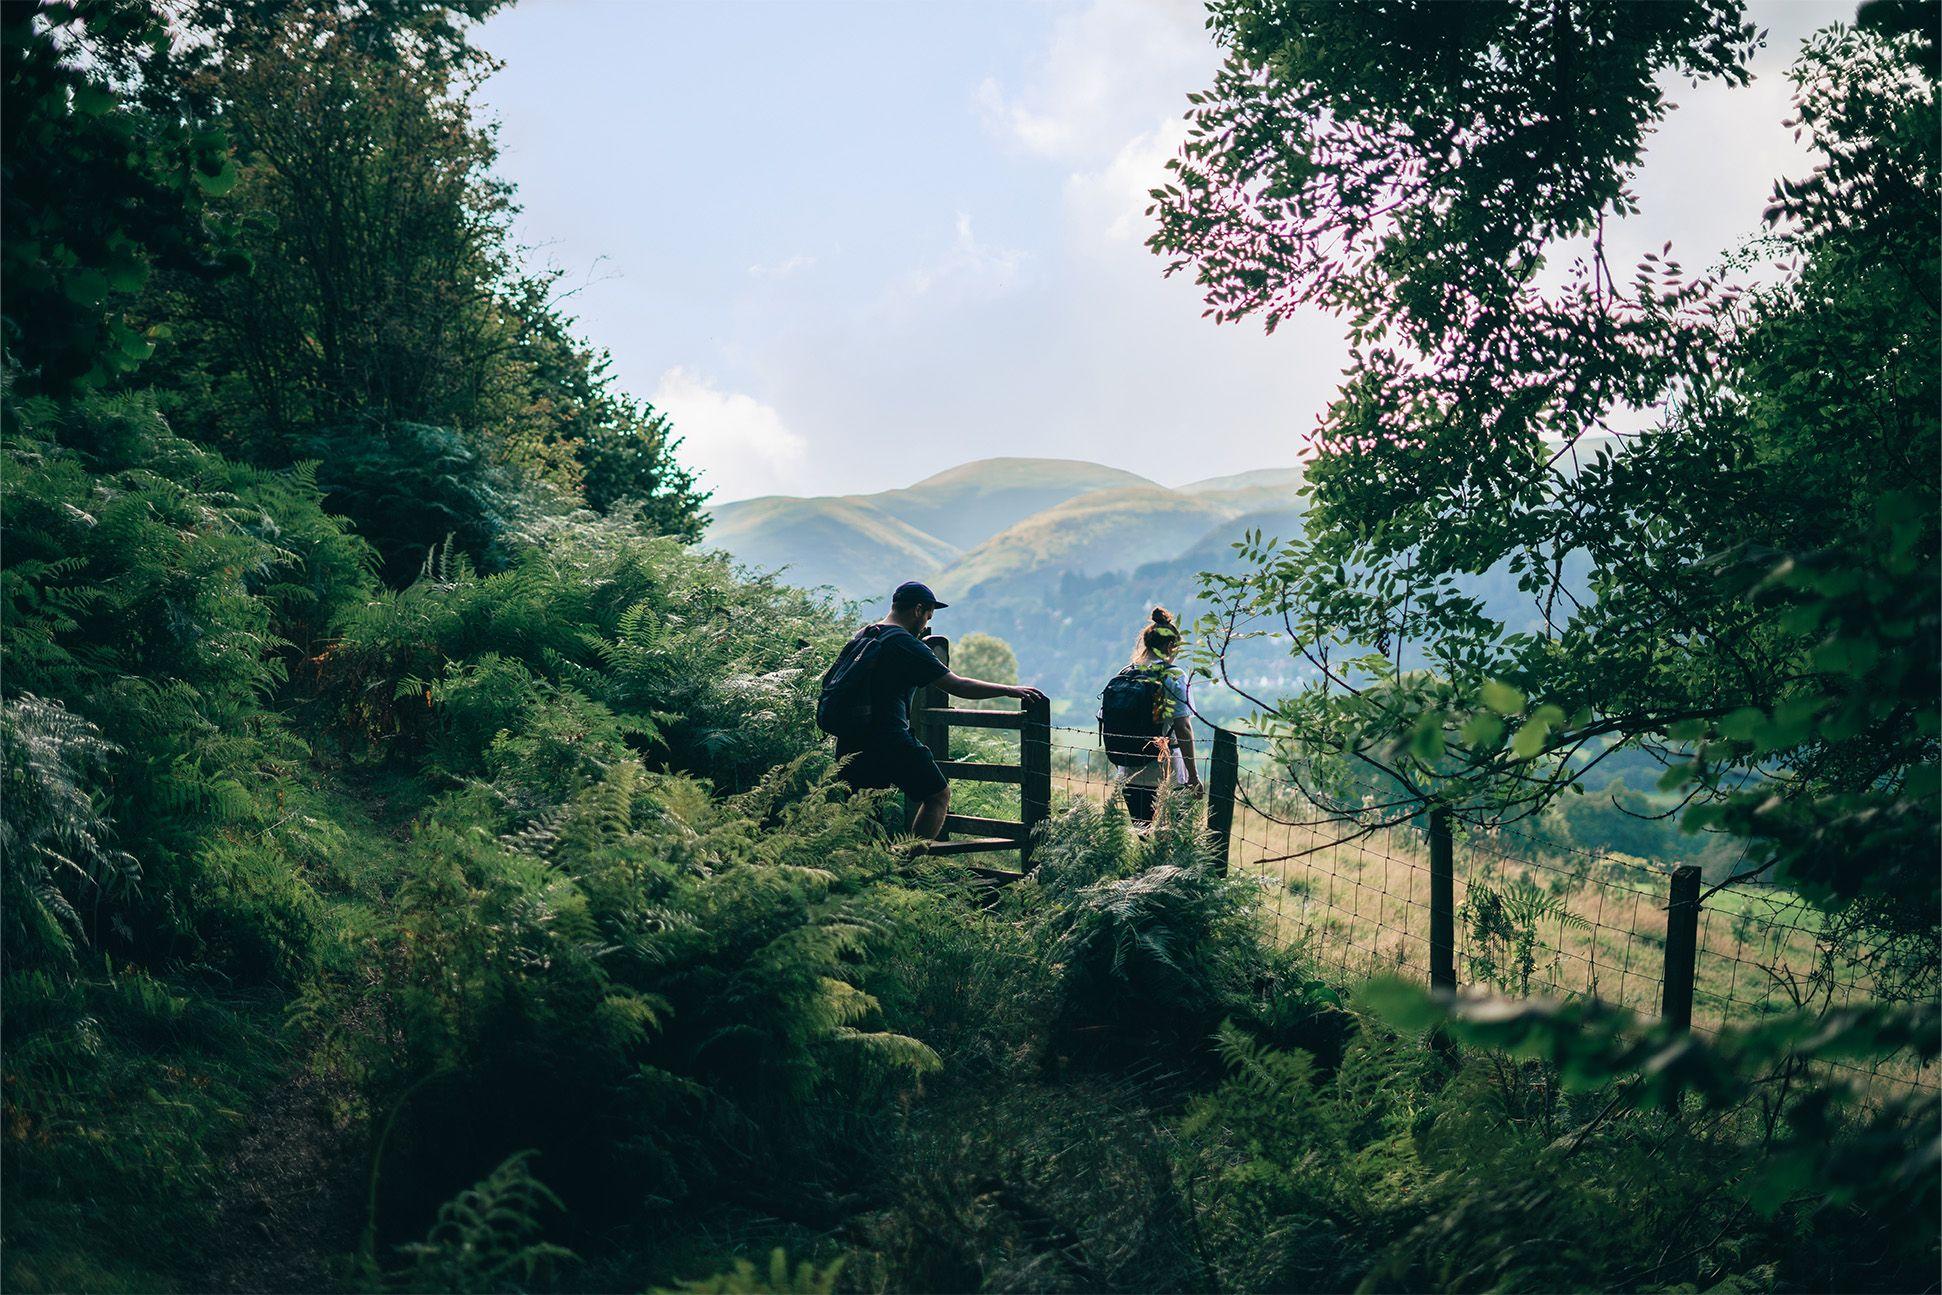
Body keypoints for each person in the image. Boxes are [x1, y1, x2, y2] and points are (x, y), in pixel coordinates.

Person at [831, 581, 1046, 841]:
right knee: (938, 795)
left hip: (851, 738)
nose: (925, 625)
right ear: (918, 610)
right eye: (928, 616)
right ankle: (907, 865)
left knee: (864, 810)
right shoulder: (904, 643)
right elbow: (957, 685)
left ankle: (865, 873)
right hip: (890, 739)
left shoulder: (865, 634)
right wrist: (1009, 690)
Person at [1104, 607, 1200, 825]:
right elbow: (1183, 727)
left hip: (1129, 772)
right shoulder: (1173, 675)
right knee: (1172, 843)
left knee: (1145, 838)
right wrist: (1193, 777)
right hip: (1166, 772)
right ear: (1169, 645)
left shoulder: (1126, 673)